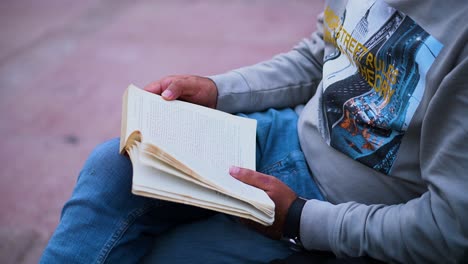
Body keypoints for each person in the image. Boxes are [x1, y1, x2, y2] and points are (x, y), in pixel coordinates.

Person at [41, 0, 468, 263]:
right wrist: (217, 90)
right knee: (115, 166)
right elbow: (320, 56)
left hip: (345, 209)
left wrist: (300, 219)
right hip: (291, 134)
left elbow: (449, 232)